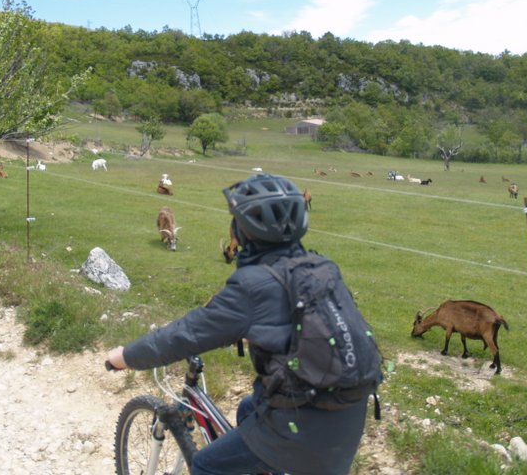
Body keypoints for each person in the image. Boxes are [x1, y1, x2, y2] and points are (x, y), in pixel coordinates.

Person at [106, 172, 368, 475]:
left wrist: (125, 356)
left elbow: (185, 335)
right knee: (246, 408)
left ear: (244, 230)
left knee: (206, 466)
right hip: (348, 415)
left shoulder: (253, 285)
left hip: (303, 426)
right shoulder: (321, 267)